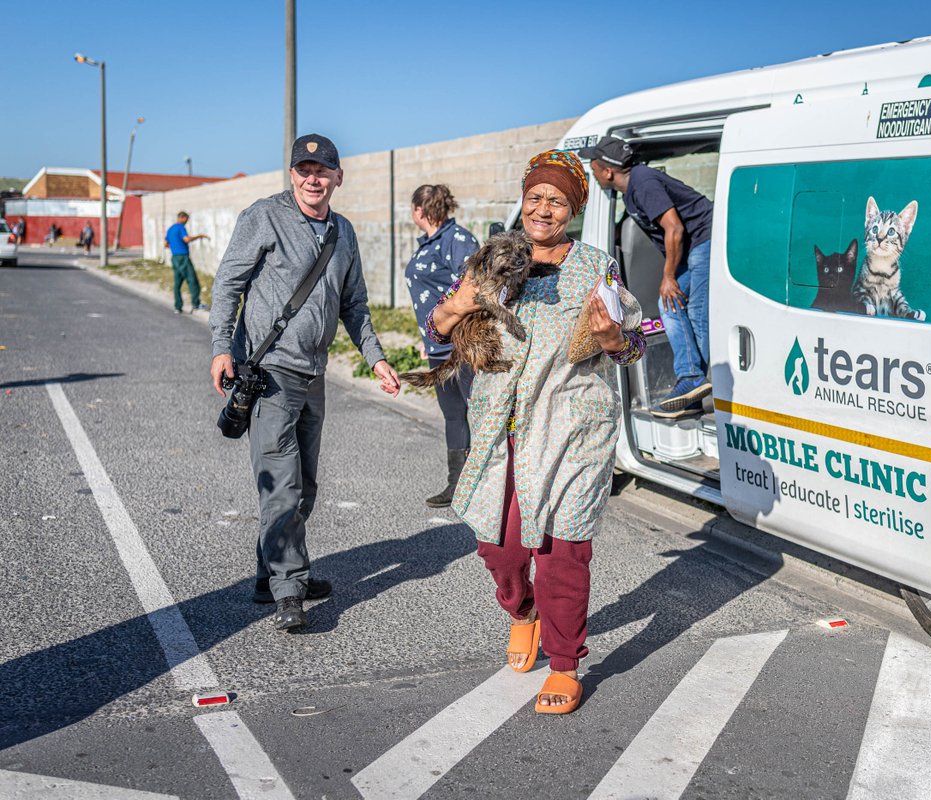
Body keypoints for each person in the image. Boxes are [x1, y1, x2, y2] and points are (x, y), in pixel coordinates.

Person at [428, 150, 644, 714]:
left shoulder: (597, 267)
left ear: (572, 210)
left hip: (572, 430)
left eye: (558, 201)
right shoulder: (489, 261)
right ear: (522, 203)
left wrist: (614, 338)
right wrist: (458, 308)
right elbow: (438, 327)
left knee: (561, 551)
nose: (544, 209)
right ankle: (523, 614)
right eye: (536, 198)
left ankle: (568, 663)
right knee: (498, 550)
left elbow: (635, 343)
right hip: (501, 429)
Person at [209, 133, 403, 633]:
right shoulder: (265, 216)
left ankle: (267, 575)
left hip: (313, 376)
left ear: (339, 176)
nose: (312, 178)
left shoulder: (343, 232)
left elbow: (354, 304)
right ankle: (290, 588)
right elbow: (229, 281)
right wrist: (220, 347)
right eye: (303, 170)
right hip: (269, 372)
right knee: (282, 485)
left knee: (306, 486)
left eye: (323, 171)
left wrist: (376, 358)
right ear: (292, 174)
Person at [583, 135, 714, 418]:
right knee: (674, 306)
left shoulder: (643, 183)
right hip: (695, 246)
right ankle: (692, 383)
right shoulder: (632, 188)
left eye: (593, 168)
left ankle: (700, 381)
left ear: (608, 171)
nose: (592, 173)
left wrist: (668, 276)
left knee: (686, 306)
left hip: (705, 240)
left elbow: (675, 229)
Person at [406, 185, 481, 508]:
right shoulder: (430, 242)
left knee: (479, 412)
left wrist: (455, 337)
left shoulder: (457, 240)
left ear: (420, 211)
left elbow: (473, 289)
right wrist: (429, 338)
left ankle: (490, 485)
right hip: (438, 346)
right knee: (453, 414)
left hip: (461, 346)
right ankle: (458, 485)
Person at [165, 211, 208, 314]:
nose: (187, 222)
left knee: (177, 283)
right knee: (192, 280)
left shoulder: (170, 229)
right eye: (187, 219)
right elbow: (187, 239)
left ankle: (178, 307)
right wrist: (199, 236)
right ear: (182, 217)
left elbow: (166, 244)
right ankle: (196, 304)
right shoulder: (180, 227)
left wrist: (175, 246)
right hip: (183, 257)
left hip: (174, 258)